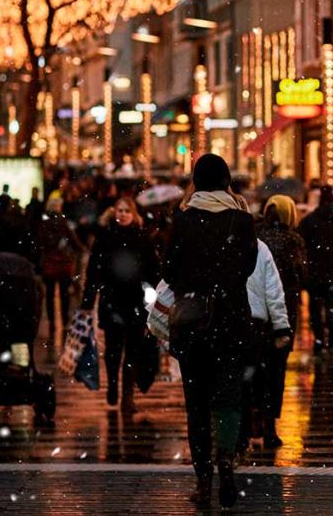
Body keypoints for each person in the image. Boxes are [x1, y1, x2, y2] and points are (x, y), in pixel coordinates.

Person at [163, 154, 258, 508]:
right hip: (231, 323)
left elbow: (169, 270)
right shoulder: (243, 220)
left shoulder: (184, 219)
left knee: (197, 405)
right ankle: (227, 464)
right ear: (226, 180)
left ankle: (204, 482)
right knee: (229, 400)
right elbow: (247, 267)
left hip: (193, 324)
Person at [83, 196, 159, 412]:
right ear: (114, 213)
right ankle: (114, 385)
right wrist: (88, 298)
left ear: (133, 214)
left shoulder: (142, 238)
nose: (123, 214)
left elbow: (152, 271)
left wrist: (153, 299)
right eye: (119, 210)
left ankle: (128, 396)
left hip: (135, 301)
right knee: (113, 349)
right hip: (112, 300)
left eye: (127, 211)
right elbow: (94, 269)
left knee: (133, 350)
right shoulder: (106, 237)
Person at [254, 195, 308, 446]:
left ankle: (252, 418)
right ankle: (269, 426)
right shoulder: (293, 240)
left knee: (255, 367)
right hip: (283, 311)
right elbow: (301, 274)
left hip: (255, 311)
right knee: (276, 370)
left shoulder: (254, 237)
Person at [237, 239, 294, 452]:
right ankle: (266, 430)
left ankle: (240, 436)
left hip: (229, 322)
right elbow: (273, 291)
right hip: (255, 323)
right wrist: (281, 325)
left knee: (238, 383)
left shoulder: (218, 240)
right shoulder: (258, 247)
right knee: (263, 380)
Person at [296, 186, 333, 354]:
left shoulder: (309, 221)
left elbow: (300, 243)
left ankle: (319, 344)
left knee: (315, 310)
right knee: (331, 307)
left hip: (314, 272)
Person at [39, 195, 85, 335]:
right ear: (58, 207)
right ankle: (64, 321)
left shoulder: (44, 222)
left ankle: (52, 322)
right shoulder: (63, 222)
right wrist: (81, 248)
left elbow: (40, 243)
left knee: (50, 295)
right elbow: (73, 240)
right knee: (64, 294)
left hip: (49, 264)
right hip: (63, 264)